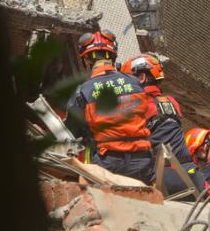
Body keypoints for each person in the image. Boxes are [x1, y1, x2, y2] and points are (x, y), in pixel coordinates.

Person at [65, 30, 154, 184]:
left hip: (109, 163)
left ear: (86, 60)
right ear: (113, 56)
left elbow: (72, 131)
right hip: (142, 162)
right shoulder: (135, 84)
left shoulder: (83, 91)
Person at [121, 53, 204, 195]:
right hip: (191, 174)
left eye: (128, 81)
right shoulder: (172, 102)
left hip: (161, 179)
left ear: (141, 77)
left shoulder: (138, 106)